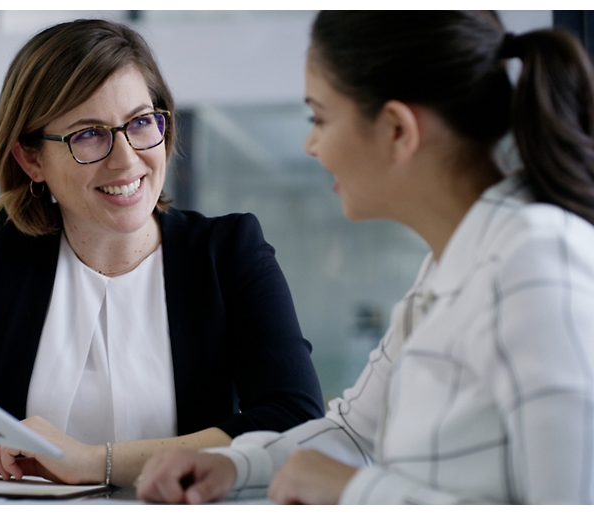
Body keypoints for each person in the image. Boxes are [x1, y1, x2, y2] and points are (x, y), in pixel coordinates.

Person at [136, 10, 594, 504]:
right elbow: (354, 433)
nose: (311, 144)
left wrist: (355, 491)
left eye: (320, 118)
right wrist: (229, 465)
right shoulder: (448, 268)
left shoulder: (536, 262)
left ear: (397, 129)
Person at [0, 19, 324, 488]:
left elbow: (295, 422)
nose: (125, 159)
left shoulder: (228, 251)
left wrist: (93, 462)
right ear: (31, 159)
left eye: (141, 123)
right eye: (88, 135)